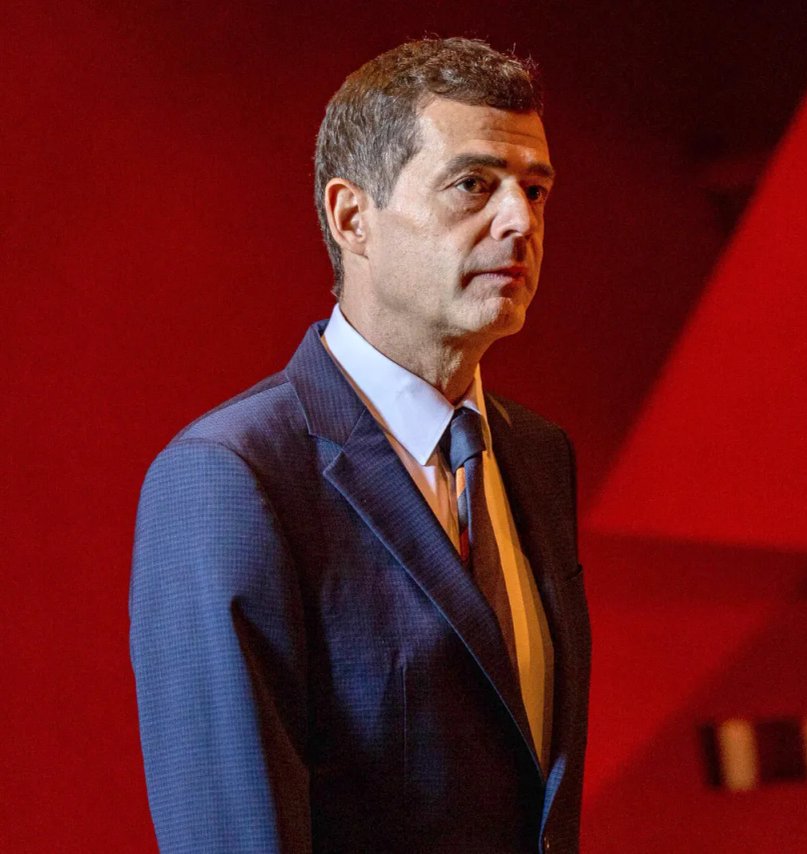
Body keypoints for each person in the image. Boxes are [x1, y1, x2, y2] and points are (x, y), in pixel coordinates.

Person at [129, 37, 590, 853]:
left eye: (535, 190)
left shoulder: (539, 455)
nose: (520, 220)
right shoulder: (232, 475)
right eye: (473, 184)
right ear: (351, 217)